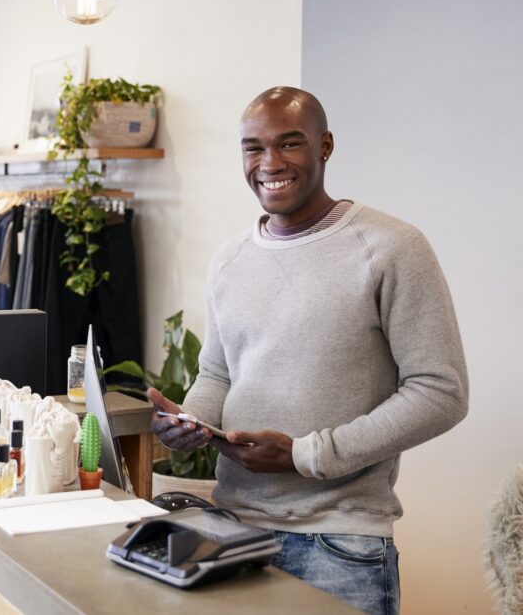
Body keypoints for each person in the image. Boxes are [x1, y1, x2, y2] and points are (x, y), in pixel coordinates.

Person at [149, 86, 469, 615]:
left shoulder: (391, 247)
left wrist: (306, 455)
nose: (269, 163)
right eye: (253, 148)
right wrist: (190, 422)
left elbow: (442, 392)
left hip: (339, 546)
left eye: (289, 144)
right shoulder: (230, 259)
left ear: (325, 147)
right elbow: (218, 373)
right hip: (231, 533)